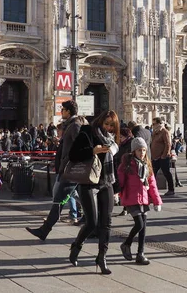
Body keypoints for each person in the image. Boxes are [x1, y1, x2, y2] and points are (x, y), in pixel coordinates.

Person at [67, 110, 120, 274]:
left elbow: (114, 164)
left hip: (106, 182)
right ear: (100, 121)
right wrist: (93, 151)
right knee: (91, 222)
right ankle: (76, 246)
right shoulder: (87, 132)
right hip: (89, 182)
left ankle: (102, 257)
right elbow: (73, 155)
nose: (109, 128)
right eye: (107, 124)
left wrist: (116, 189)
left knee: (106, 223)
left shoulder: (112, 141)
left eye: (112, 126)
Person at [26, 100, 85, 240]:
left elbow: (82, 145)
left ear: (68, 111)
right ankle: (93, 221)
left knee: (59, 200)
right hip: (69, 168)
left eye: (63, 109)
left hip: (71, 170)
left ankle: (44, 230)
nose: (61, 112)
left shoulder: (75, 125)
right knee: (69, 198)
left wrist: (70, 160)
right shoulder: (71, 125)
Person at [118, 137, 162, 265]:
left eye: (143, 150)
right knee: (139, 224)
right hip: (131, 198)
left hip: (144, 199)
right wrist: (117, 193)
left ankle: (140, 253)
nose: (142, 153)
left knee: (143, 228)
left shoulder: (147, 165)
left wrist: (157, 201)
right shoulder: (126, 165)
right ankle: (126, 243)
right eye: (139, 150)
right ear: (133, 151)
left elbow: (152, 184)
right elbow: (120, 181)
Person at [150, 118, 175, 196]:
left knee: (166, 172)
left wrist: (164, 155)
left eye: (154, 124)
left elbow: (168, 144)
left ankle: (171, 189)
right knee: (152, 173)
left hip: (162, 157)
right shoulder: (155, 132)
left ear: (159, 124)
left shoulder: (165, 132)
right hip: (155, 157)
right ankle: (152, 189)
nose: (153, 126)